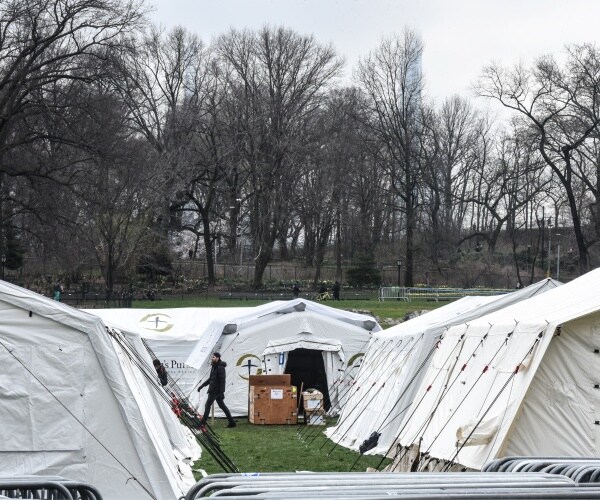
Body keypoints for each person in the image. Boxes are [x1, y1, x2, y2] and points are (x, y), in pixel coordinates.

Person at [197, 352, 236, 428]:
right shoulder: (214, 366)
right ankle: (232, 422)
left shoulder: (220, 367)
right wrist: (201, 386)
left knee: (207, 405)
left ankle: (202, 423)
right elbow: (210, 379)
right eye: (212, 357)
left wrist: (221, 392)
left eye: (214, 357)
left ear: (218, 358)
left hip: (216, 391)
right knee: (222, 406)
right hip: (214, 390)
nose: (212, 358)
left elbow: (222, 380)